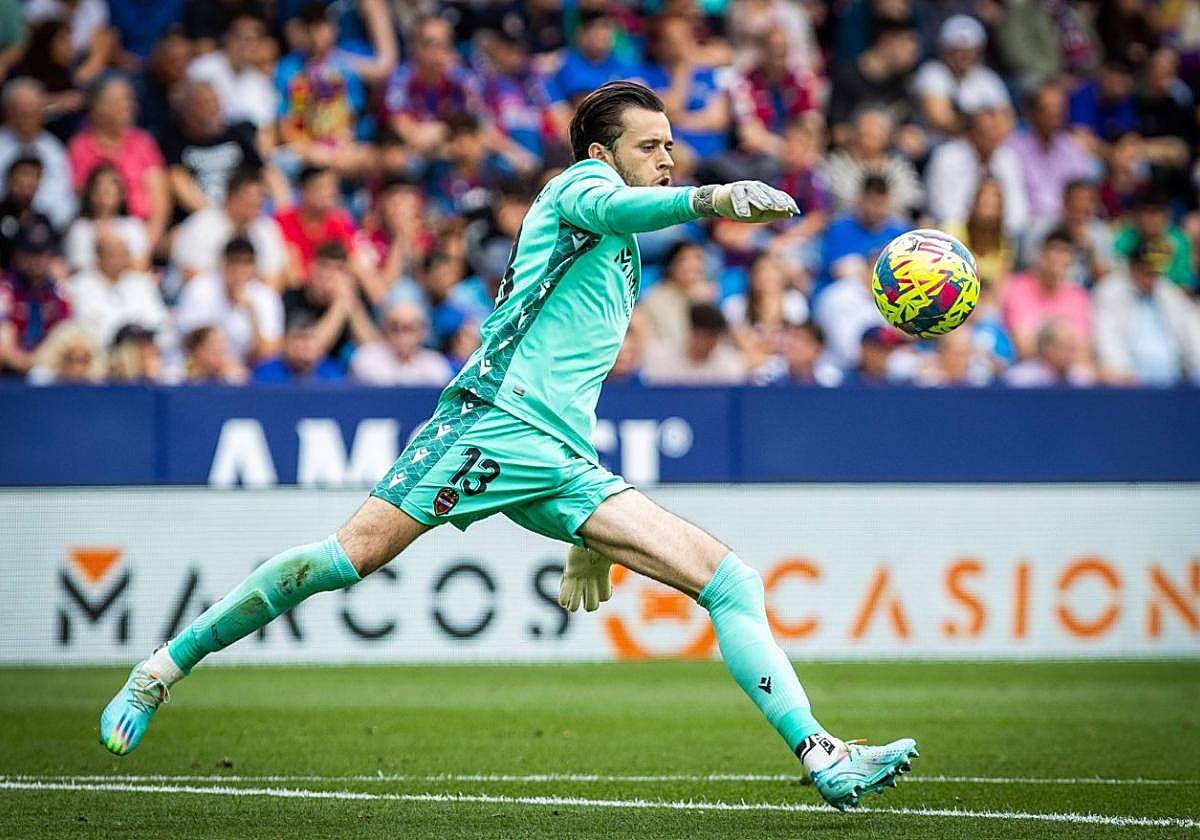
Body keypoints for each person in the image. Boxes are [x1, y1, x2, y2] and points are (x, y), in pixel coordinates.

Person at [99, 81, 916, 812]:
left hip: (559, 456)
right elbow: (624, 207)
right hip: (489, 423)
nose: (668, 157)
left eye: (673, 145)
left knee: (732, 582)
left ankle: (823, 754)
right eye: (651, 146)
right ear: (603, 153)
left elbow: (576, 375)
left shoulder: (621, 251)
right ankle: (161, 670)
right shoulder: (580, 188)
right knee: (341, 561)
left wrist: (583, 536)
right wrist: (712, 199)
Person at [67, 74, 170, 249]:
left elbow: (160, 195)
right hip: (97, 235)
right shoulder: (79, 147)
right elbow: (81, 198)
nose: (131, 106)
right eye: (122, 101)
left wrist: (148, 240)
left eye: (130, 100)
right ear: (98, 108)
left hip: (143, 234)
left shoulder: (143, 142)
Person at [1093, 235, 1200, 386]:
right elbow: (1107, 338)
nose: (1152, 277)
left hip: (1175, 382)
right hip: (1129, 384)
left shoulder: (1169, 292)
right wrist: (1122, 373)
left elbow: (1191, 336)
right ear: (1132, 266)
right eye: (1146, 270)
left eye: (1156, 272)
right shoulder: (1110, 292)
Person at [174, 237, 284, 366]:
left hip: (246, 372)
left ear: (255, 268)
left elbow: (269, 353)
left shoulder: (266, 297)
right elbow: (188, 343)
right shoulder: (199, 288)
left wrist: (251, 313)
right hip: (200, 369)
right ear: (223, 264)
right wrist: (223, 364)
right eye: (234, 262)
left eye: (246, 263)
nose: (239, 270)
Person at [170, 167, 288, 288]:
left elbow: (274, 279)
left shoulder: (266, 228)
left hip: (247, 300)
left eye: (261, 196)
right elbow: (193, 278)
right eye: (250, 195)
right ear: (231, 196)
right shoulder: (202, 224)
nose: (258, 201)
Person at [66, 225, 168, 348]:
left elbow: (160, 323)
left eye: (124, 252)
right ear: (99, 255)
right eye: (114, 252)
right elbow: (86, 327)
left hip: (142, 351)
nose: (121, 258)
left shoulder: (141, 282)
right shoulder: (78, 286)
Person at [1002, 228, 1092, 360]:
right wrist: (1064, 346)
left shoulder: (1078, 296)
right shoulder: (1017, 288)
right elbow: (1024, 348)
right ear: (1041, 254)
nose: (1059, 257)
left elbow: (1083, 352)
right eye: (1054, 250)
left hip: (1070, 372)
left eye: (1065, 251)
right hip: (1031, 369)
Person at [0, 77, 76, 229]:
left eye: (34, 111)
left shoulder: (53, 148)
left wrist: (45, 224)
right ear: (8, 113)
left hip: (48, 230)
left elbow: (65, 198)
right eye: (22, 112)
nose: (29, 117)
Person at [0, 221, 70, 376]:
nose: (38, 259)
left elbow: (67, 332)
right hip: (12, 371)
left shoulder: (56, 290)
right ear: (18, 255)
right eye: (31, 252)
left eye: (43, 252)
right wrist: (32, 365)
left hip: (50, 367)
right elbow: (4, 346)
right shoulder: (6, 290)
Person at [63, 163, 150, 272]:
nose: (106, 189)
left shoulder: (134, 226)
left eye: (112, 184)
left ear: (122, 192)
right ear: (90, 193)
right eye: (100, 184)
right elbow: (80, 269)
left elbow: (141, 267)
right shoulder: (80, 229)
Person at [349, 299, 453, 386]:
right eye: (394, 327)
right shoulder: (366, 358)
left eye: (408, 328)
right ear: (384, 330)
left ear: (422, 332)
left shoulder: (435, 365)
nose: (401, 335)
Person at [642, 301, 748, 385]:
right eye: (706, 336)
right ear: (692, 332)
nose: (711, 343)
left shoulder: (730, 365)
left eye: (715, 337)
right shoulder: (660, 359)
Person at [252, 309, 346, 384]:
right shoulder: (265, 375)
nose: (305, 345)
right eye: (299, 338)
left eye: (310, 338)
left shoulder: (333, 373)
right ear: (285, 343)